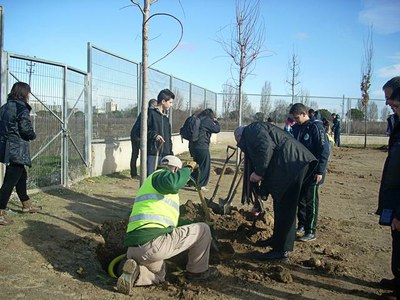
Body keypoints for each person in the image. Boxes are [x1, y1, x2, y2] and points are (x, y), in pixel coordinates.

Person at [116, 155, 219, 295]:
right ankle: (197, 272)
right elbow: (173, 183)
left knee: (160, 274)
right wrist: (188, 168)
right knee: (204, 229)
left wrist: (190, 224)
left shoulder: (152, 188)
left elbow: (172, 225)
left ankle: (137, 273)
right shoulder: (160, 176)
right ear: (176, 169)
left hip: (135, 250)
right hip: (153, 245)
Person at [235, 123, 317, 261]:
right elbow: (268, 168)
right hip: (288, 165)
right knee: (279, 205)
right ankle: (276, 241)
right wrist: (261, 198)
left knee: (286, 209)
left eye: (240, 143)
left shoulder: (253, 129)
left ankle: (281, 251)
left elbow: (265, 148)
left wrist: (259, 172)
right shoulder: (255, 132)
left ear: (238, 136)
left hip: (292, 165)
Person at [0, 82, 41, 225]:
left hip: (7, 147)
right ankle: (0, 212)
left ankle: (26, 204)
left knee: (21, 176)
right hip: (17, 149)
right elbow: (25, 128)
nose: (29, 95)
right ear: (24, 93)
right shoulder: (21, 108)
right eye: (28, 92)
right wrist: (32, 135)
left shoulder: (5, 107)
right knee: (9, 182)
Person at [290, 103, 330, 242]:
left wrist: (320, 170)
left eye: (297, 118)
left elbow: (324, 150)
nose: (295, 120)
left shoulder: (315, 128)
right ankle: (301, 225)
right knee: (300, 199)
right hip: (301, 171)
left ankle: (310, 230)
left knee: (310, 201)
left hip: (314, 172)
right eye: (293, 118)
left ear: (304, 114)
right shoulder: (297, 128)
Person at [377, 78, 400, 299]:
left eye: (391, 100)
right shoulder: (396, 123)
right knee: (396, 238)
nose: (388, 103)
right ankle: (398, 278)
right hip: (394, 192)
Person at [132, 89, 175, 176]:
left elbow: (168, 138)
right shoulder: (148, 114)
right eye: (170, 102)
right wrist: (154, 136)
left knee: (161, 182)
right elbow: (139, 130)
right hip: (153, 153)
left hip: (165, 155)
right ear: (163, 101)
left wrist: (170, 153)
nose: (171, 105)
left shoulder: (166, 119)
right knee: (151, 180)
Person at [189, 109, 220, 190]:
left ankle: (192, 181)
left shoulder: (197, 119)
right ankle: (200, 185)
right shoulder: (207, 121)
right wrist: (216, 121)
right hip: (202, 146)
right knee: (205, 166)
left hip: (192, 146)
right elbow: (217, 129)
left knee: (197, 165)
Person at [130, 99, 157, 178]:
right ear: (154, 105)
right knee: (143, 154)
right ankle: (141, 174)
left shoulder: (145, 112)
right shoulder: (150, 113)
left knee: (135, 154)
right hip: (138, 135)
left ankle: (134, 173)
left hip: (136, 134)